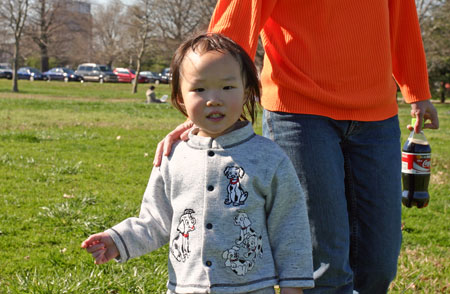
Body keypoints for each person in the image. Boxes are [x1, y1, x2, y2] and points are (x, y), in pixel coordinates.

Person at [153, 1, 440, 294]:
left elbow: (401, 13)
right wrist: (209, 99)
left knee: (378, 263)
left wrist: (417, 89)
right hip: (300, 112)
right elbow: (237, 18)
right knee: (324, 265)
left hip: (377, 116)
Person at [82, 33, 314, 294]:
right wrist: (117, 240)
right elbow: (155, 221)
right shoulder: (173, 156)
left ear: (247, 90)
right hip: (186, 287)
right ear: (180, 97)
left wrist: (293, 286)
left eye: (227, 87)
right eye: (199, 89)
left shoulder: (270, 158)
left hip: (252, 288)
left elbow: (290, 227)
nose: (214, 99)